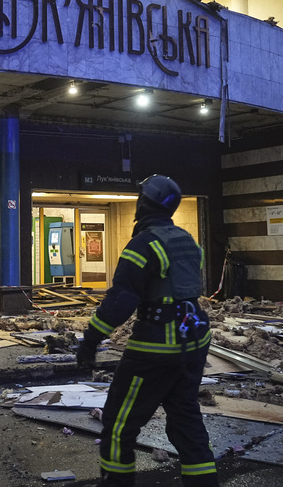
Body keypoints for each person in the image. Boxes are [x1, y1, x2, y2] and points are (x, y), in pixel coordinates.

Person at [77, 175, 218, 486]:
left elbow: (121, 300)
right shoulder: (187, 240)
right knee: (185, 419)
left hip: (156, 346)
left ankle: (117, 482)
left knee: (119, 424)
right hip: (194, 338)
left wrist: (89, 341)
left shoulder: (143, 245)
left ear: (145, 203)